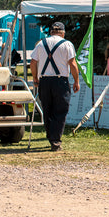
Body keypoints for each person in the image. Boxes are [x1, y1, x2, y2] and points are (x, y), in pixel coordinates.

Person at [29, 22, 80, 151]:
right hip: (60, 81)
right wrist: (76, 81)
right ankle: (55, 140)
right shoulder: (67, 44)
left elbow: (33, 62)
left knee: (47, 110)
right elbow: (72, 64)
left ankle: (51, 137)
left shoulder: (41, 43)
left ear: (51, 32)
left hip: (44, 80)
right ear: (63, 33)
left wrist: (35, 77)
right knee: (60, 110)